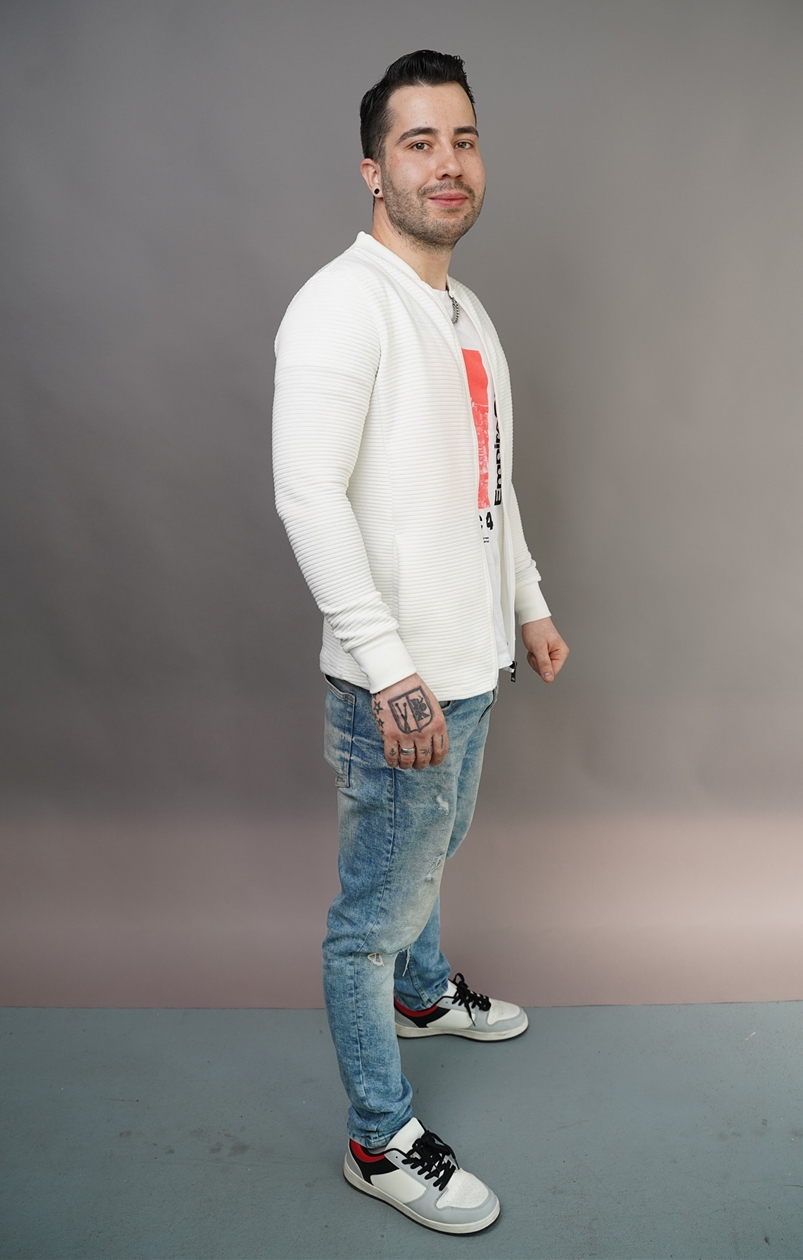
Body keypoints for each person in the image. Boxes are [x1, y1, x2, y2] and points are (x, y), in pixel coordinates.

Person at [272, 49, 568, 1236]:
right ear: (372, 170)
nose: (447, 164)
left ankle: (425, 993)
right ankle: (377, 1138)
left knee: (432, 857)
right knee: (371, 916)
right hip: (396, 683)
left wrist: (527, 603)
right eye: (418, 143)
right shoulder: (341, 305)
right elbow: (306, 495)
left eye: (463, 139)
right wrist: (390, 669)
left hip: (469, 662)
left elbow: (492, 479)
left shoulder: (464, 310)